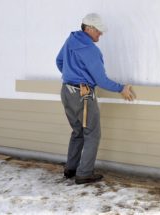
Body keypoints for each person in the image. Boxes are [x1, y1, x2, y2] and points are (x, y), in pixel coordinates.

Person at [56, 13, 136, 185]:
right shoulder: (91, 50)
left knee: (77, 132)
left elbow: (59, 61)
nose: (101, 34)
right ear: (89, 28)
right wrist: (121, 88)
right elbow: (101, 80)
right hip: (83, 96)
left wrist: (71, 75)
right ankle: (84, 173)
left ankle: (71, 168)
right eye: (98, 31)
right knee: (92, 134)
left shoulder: (71, 40)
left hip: (66, 92)